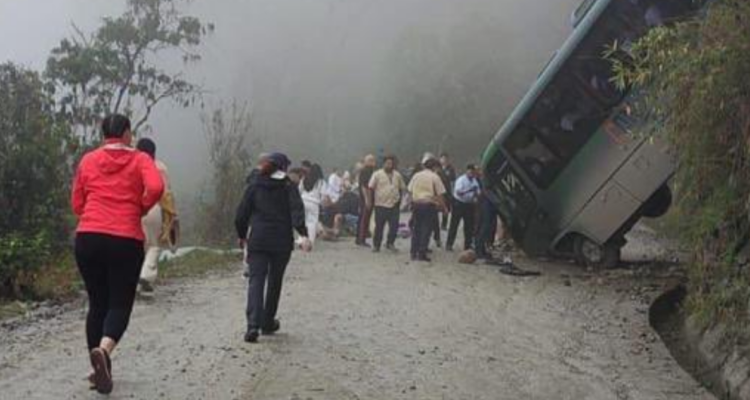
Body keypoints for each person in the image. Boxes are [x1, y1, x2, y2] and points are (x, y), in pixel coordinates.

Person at [71, 114, 164, 394]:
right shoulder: (139, 159)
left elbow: (76, 202)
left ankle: (97, 365)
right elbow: (157, 187)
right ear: (126, 133)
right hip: (124, 238)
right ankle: (104, 350)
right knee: (120, 303)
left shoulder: (88, 160)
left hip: (88, 237)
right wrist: (140, 206)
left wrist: (91, 212)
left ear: (103, 134)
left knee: (97, 302)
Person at [235, 152, 311, 343]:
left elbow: (241, 214)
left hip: (258, 240)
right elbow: (296, 211)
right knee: (275, 281)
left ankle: (252, 325)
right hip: (281, 242)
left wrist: (242, 235)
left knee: (256, 281)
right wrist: (303, 234)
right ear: (283, 168)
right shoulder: (288, 186)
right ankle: (267, 321)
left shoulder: (254, 185)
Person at [135, 138, 179, 293]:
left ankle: (135, 279)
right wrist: (172, 214)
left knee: (138, 245)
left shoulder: (132, 166)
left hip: (134, 209)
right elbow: (167, 193)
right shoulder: (160, 167)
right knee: (154, 245)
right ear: (153, 153)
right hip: (154, 209)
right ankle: (146, 275)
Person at [408, 155, 447, 262]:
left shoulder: (416, 175)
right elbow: (440, 195)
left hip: (417, 204)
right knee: (426, 229)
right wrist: (444, 208)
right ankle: (422, 253)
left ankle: (413, 252)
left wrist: (411, 203)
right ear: (434, 167)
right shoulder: (435, 177)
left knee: (416, 229)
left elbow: (410, 190)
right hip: (428, 205)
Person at [368, 155, 406, 252]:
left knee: (394, 226)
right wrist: (369, 201)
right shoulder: (377, 174)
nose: (389, 165)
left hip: (394, 205)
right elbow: (370, 188)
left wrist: (400, 201)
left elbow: (402, 188)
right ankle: (376, 245)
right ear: (383, 164)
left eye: (391, 163)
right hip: (380, 204)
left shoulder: (397, 175)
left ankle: (390, 243)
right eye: (387, 163)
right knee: (379, 226)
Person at [446, 164, 481, 252]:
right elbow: (459, 192)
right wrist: (470, 190)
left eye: (473, 172)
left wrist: (476, 193)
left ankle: (467, 245)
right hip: (459, 203)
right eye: (470, 172)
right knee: (454, 224)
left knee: (469, 226)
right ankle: (449, 244)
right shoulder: (461, 180)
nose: (471, 174)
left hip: (469, 204)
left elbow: (478, 193)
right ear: (467, 171)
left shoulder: (474, 181)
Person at [299, 163, 328, 245]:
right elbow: (323, 196)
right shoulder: (321, 182)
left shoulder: (304, 179)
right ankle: (309, 242)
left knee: (303, 223)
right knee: (312, 223)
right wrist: (322, 204)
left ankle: (301, 241)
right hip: (314, 203)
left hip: (303, 201)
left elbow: (299, 190)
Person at [356, 154, 377, 247]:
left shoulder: (366, 171)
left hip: (364, 198)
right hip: (366, 199)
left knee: (363, 218)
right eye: (371, 160)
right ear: (367, 161)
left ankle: (359, 238)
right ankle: (361, 239)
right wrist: (368, 200)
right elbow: (365, 187)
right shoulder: (366, 171)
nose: (373, 162)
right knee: (364, 219)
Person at [439, 153, 457, 231]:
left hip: (447, 191)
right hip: (438, 191)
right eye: (442, 159)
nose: (444, 160)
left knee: (446, 208)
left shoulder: (451, 169)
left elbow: (453, 179)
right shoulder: (438, 168)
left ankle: (444, 224)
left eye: (446, 159)